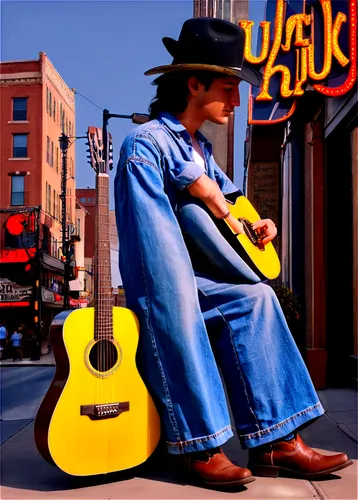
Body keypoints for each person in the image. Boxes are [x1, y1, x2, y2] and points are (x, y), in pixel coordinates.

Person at [114, 17, 352, 490]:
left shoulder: (199, 147)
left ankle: (276, 441)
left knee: (258, 299)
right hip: (165, 282)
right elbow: (153, 254)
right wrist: (192, 183)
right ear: (195, 83)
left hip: (200, 279)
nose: (238, 100)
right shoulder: (146, 144)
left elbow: (233, 207)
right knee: (177, 301)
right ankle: (200, 444)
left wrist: (258, 224)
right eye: (229, 87)